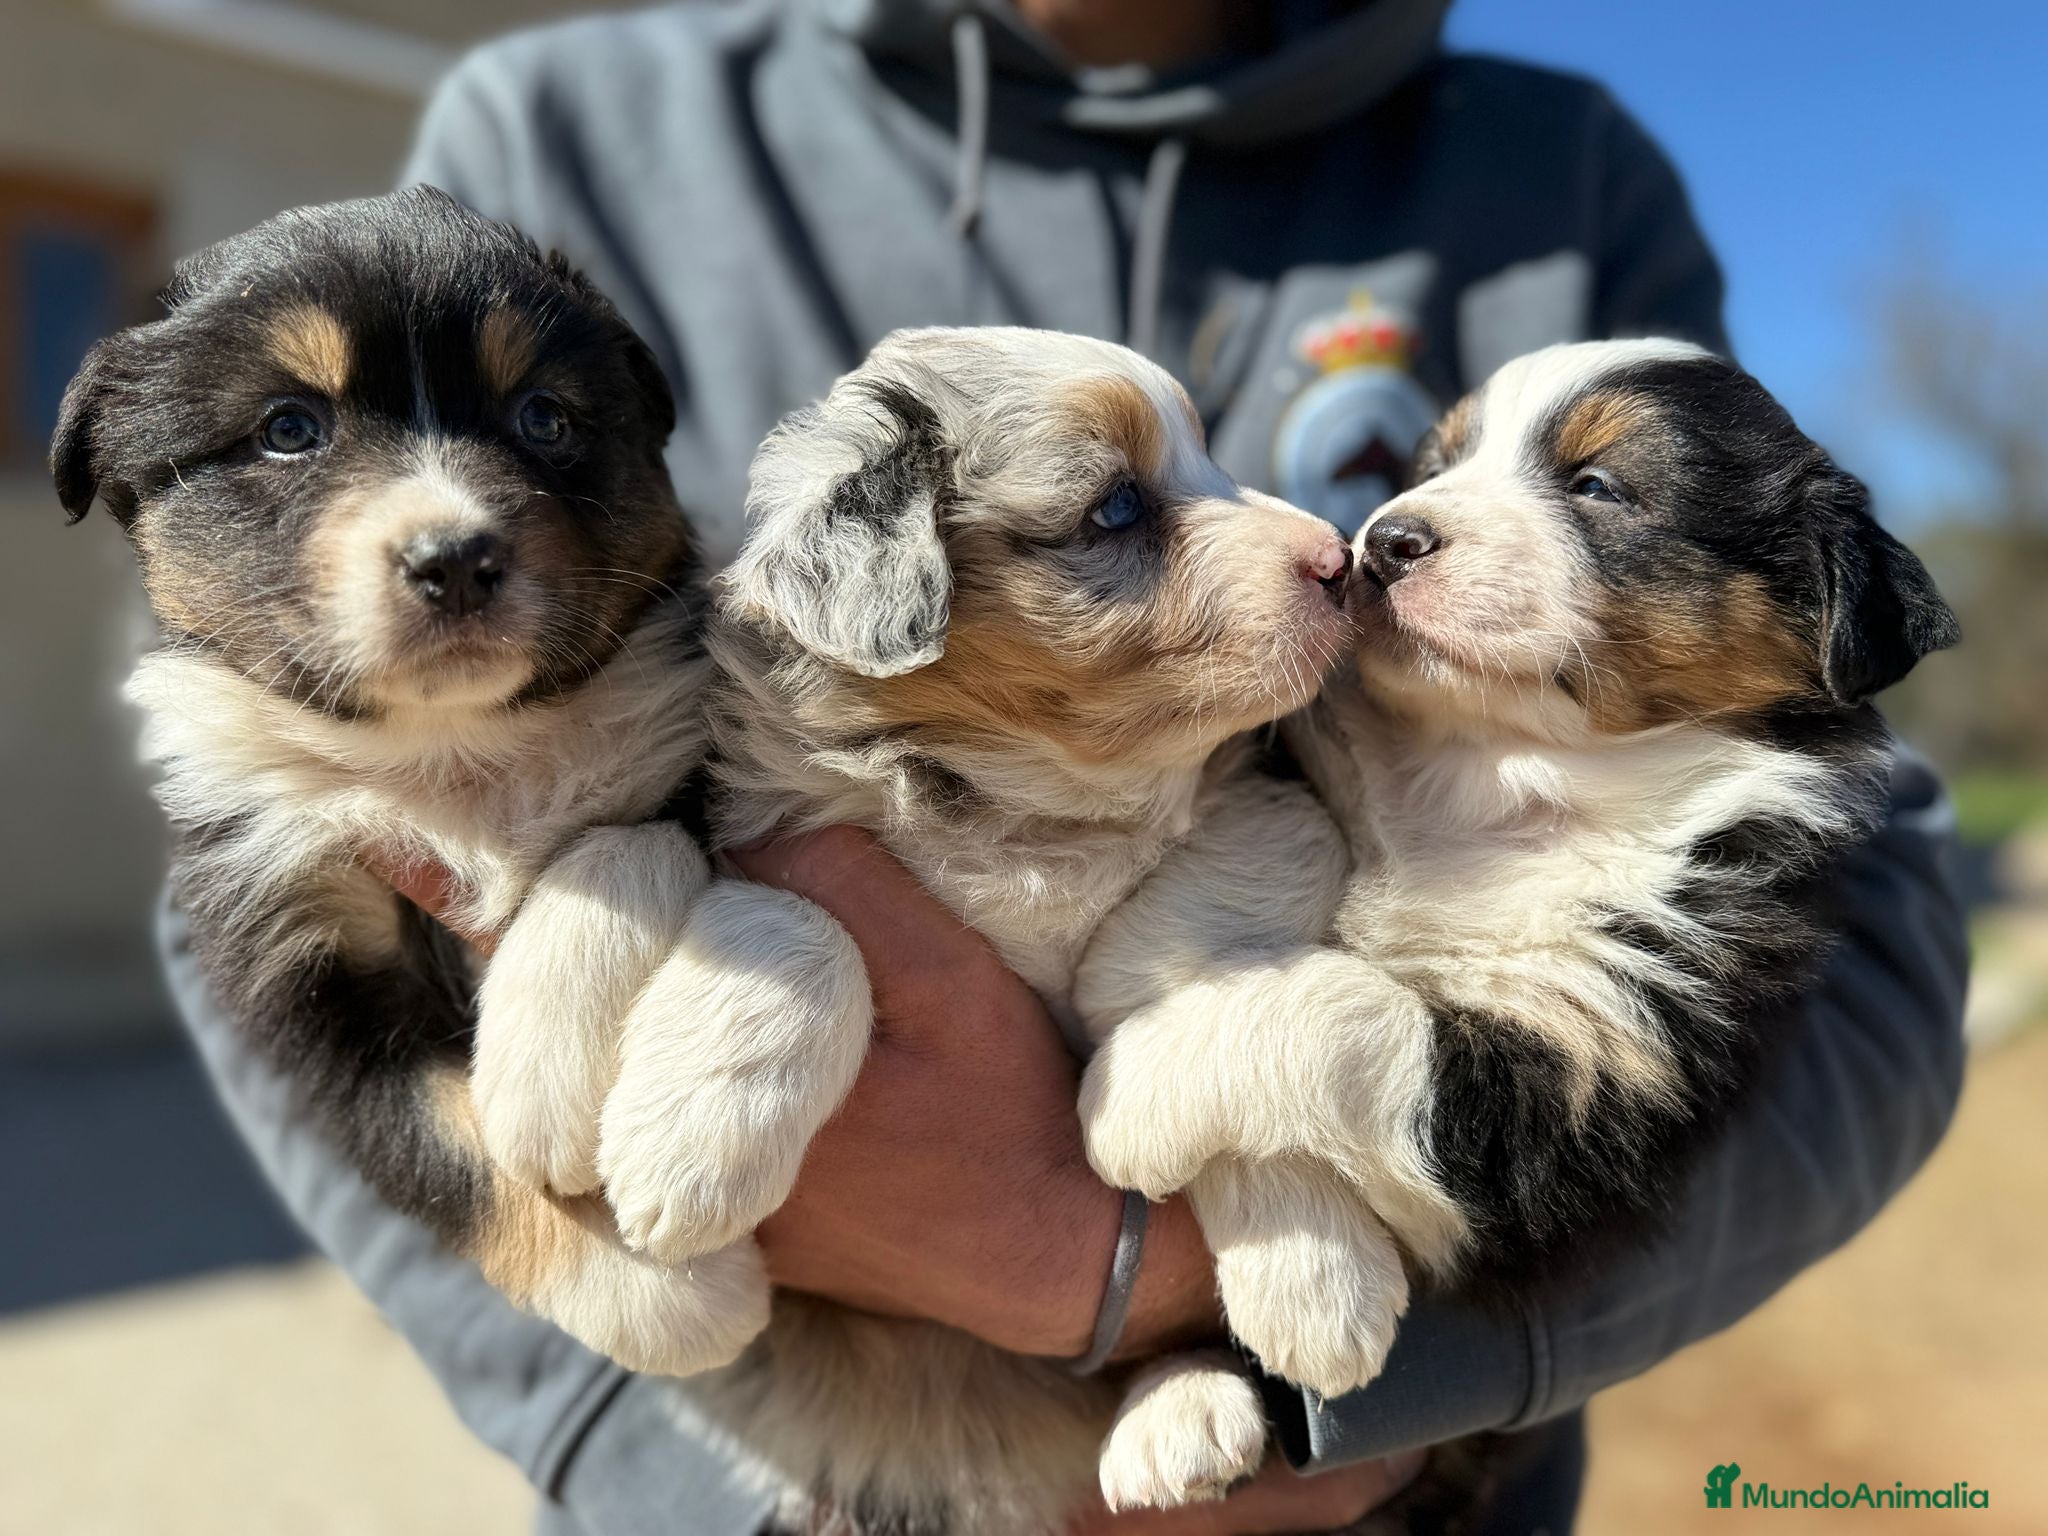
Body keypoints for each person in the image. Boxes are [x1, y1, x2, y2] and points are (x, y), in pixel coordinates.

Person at [162, 3, 1971, 1532]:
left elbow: (1859, 903)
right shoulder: (567, 131)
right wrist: (690, 1457)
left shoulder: (1559, 175)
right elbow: (304, 874)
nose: (1353, 538)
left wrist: (1225, 1316)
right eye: (1114, 513)